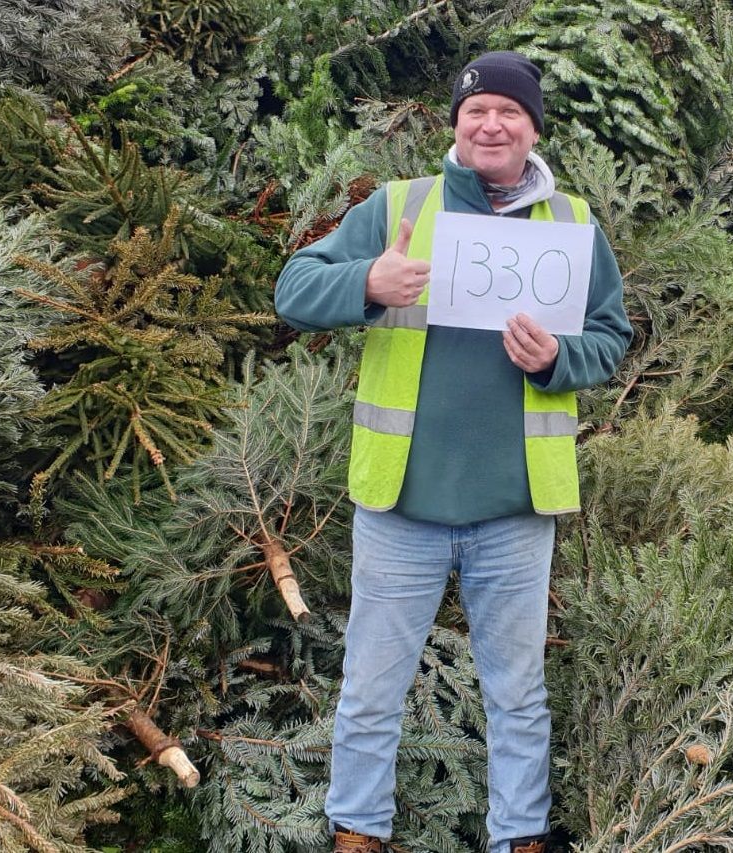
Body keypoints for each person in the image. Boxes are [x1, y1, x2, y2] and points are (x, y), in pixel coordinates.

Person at [274, 50, 632, 853]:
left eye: (509, 110)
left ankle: (519, 838)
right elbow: (292, 291)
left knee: (518, 694)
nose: (491, 123)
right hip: (403, 505)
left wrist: (558, 360)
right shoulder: (401, 206)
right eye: (476, 111)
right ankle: (357, 832)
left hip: (515, 510)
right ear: (457, 125)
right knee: (371, 690)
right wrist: (368, 281)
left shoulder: (572, 226)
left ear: (534, 127)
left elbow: (610, 335)